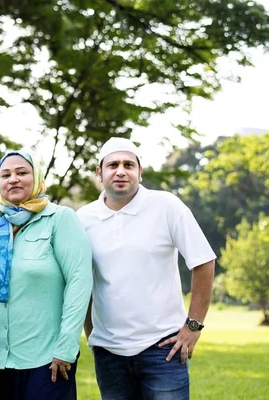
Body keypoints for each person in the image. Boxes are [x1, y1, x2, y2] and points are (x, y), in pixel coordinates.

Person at [76, 137, 216, 400]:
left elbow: (203, 261)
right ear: (99, 173)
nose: (120, 171)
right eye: (112, 165)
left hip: (163, 348)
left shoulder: (167, 206)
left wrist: (193, 326)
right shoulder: (82, 218)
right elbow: (80, 278)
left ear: (139, 172)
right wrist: (91, 333)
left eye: (129, 164)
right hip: (109, 353)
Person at [0, 150, 93, 400]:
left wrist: (66, 346)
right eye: (5, 175)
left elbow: (80, 283)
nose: (13, 179)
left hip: (47, 357)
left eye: (22, 172)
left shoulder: (60, 219)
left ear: (37, 177)